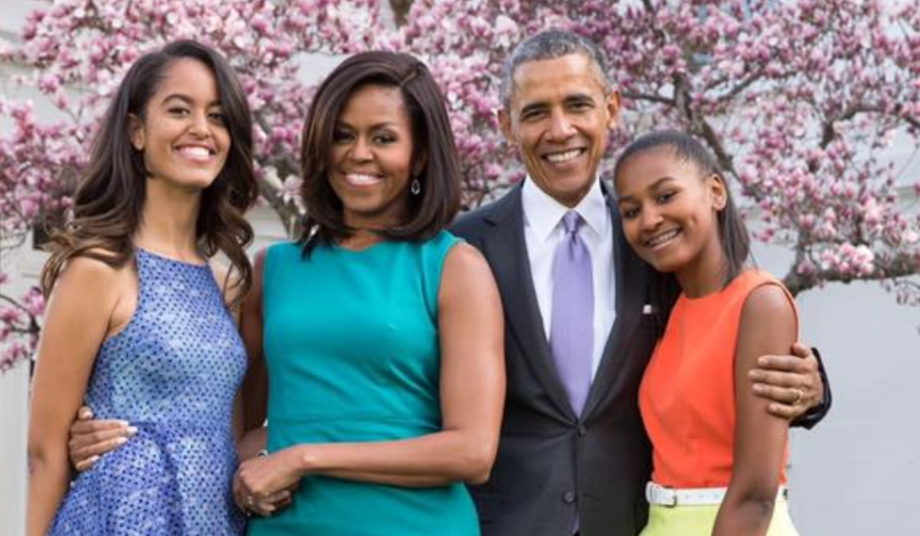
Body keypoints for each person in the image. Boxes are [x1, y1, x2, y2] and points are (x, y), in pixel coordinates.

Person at [447, 29, 831, 536]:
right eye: (536, 112)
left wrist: (813, 390)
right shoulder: (462, 248)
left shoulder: (660, 242)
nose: (560, 130)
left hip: (635, 522)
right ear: (505, 126)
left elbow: (723, 327)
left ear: (612, 109)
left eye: (578, 104)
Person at [231, 50, 505, 536]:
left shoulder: (455, 267)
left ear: (419, 155)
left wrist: (303, 457)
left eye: (383, 138)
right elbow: (235, 426)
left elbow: (473, 451)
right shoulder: (273, 270)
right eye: (342, 135)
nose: (358, 153)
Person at [26, 40, 257, 536]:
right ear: (136, 130)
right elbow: (46, 452)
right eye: (179, 110)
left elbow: (234, 435)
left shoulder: (228, 289)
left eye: (218, 117)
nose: (201, 129)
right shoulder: (99, 269)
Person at [613, 130, 800, 536]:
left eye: (665, 196)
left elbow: (755, 495)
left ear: (716, 191)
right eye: (631, 211)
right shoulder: (671, 311)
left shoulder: (759, 302)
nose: (649, 220)